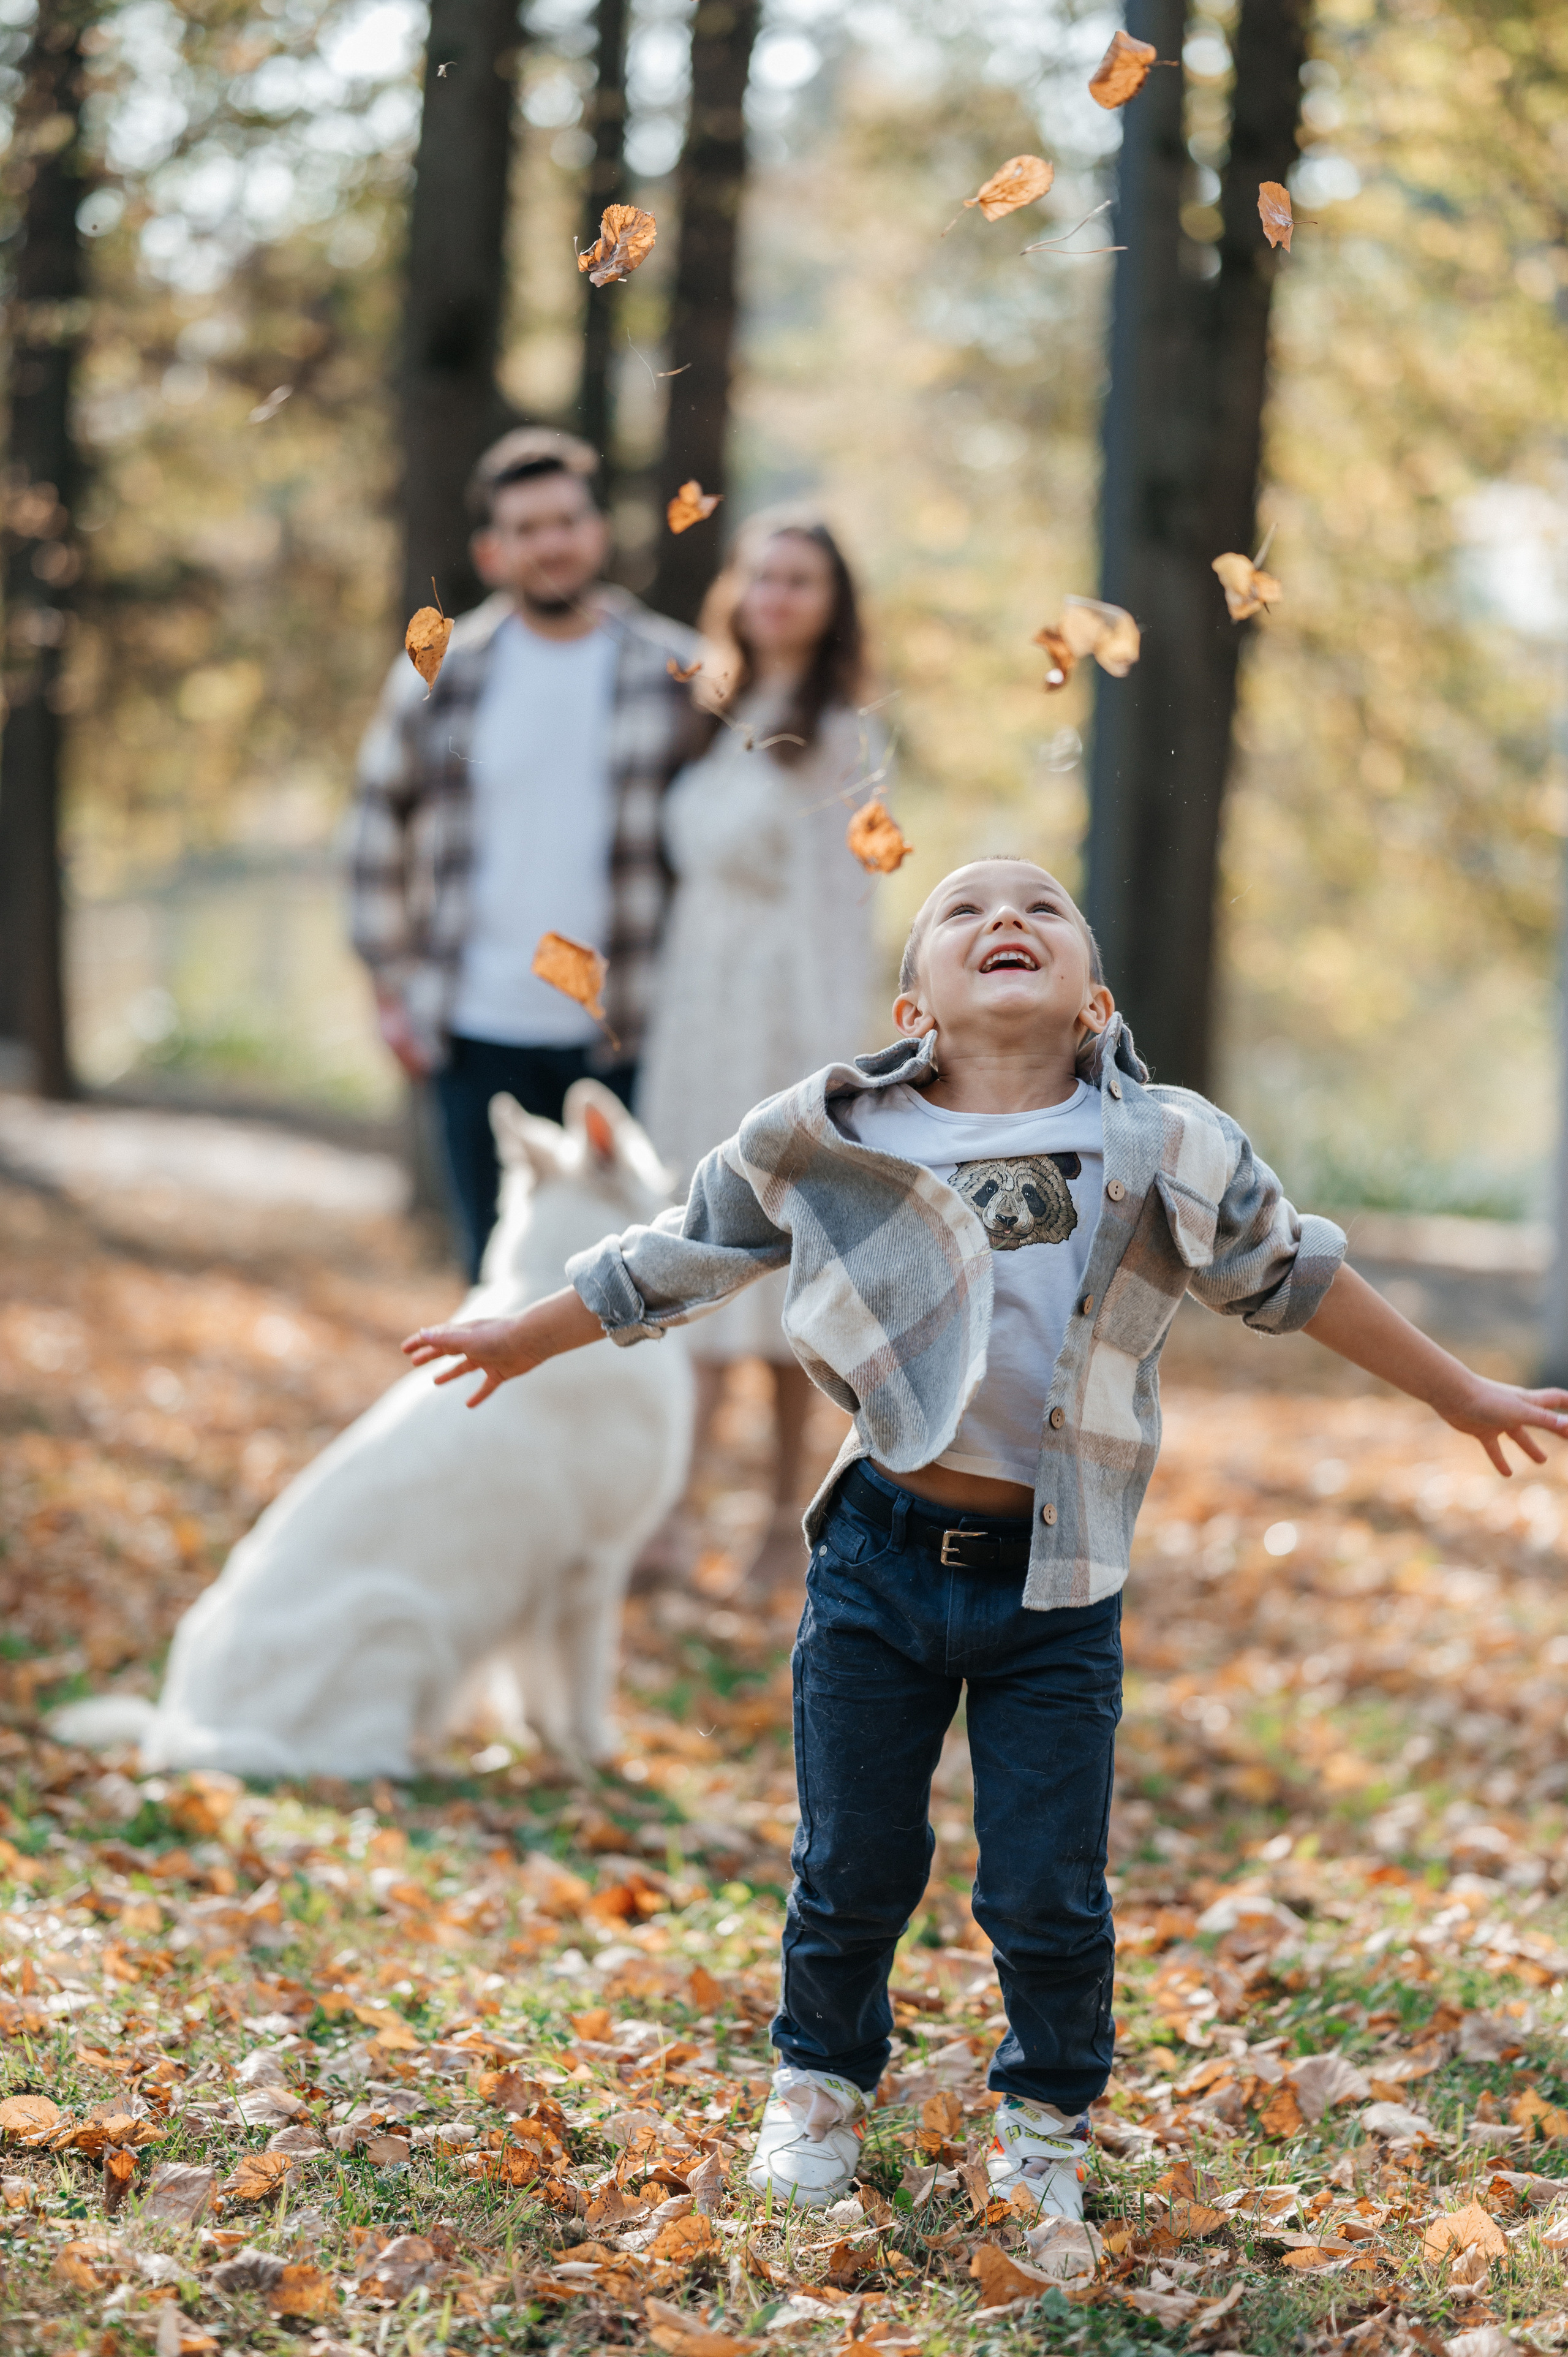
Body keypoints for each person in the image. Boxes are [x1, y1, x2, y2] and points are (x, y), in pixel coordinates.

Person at [398, 856, 1568, 2216]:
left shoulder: (1164, 1146)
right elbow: (682, 1251)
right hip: (876, 1561)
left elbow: (1293, 1272)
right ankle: (817, 2086)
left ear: (1094, 1000)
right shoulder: (836, 1133)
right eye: (962, 909)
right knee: (848, 1865)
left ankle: (1046, 2124)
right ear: (916, 1004)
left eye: (1039, 908)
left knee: (1046, 1889)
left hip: (1056, 1582)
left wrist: (1458, 1391)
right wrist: (524, 1332)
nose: (1003, 918)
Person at [349, 428, 697, 1279]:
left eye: (567, 521)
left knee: (634, 1291)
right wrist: (390, 986)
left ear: (598, 532)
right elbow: (372, 827)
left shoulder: (675, 669)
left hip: (635, 1030)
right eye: (527, 527)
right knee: (496, 1283)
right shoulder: (444, 670)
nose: (551, 542)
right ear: (492, 550)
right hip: (475, 1028)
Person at [635, 510, 881, 1583]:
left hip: (784, 1025)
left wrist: (831, 1076)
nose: (778, 595)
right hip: (695, 1020)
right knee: (686, 1256)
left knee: (785, 1273)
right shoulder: (711, 712)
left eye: (802, 580)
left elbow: (846, 915)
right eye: (764, 576)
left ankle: (784, 1520)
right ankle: (668, 1510)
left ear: (831, 604)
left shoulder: (846, 734)